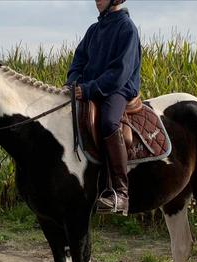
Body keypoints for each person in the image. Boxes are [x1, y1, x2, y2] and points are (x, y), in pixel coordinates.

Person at [66, 0, 141, 215]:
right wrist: (73, 83)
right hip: (90, 87)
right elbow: (78, 62)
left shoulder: (127, 28)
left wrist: (89, 89)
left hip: (117, 89)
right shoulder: (93, 30)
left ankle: (120, 193)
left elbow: (120, 72)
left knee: (109, 121)